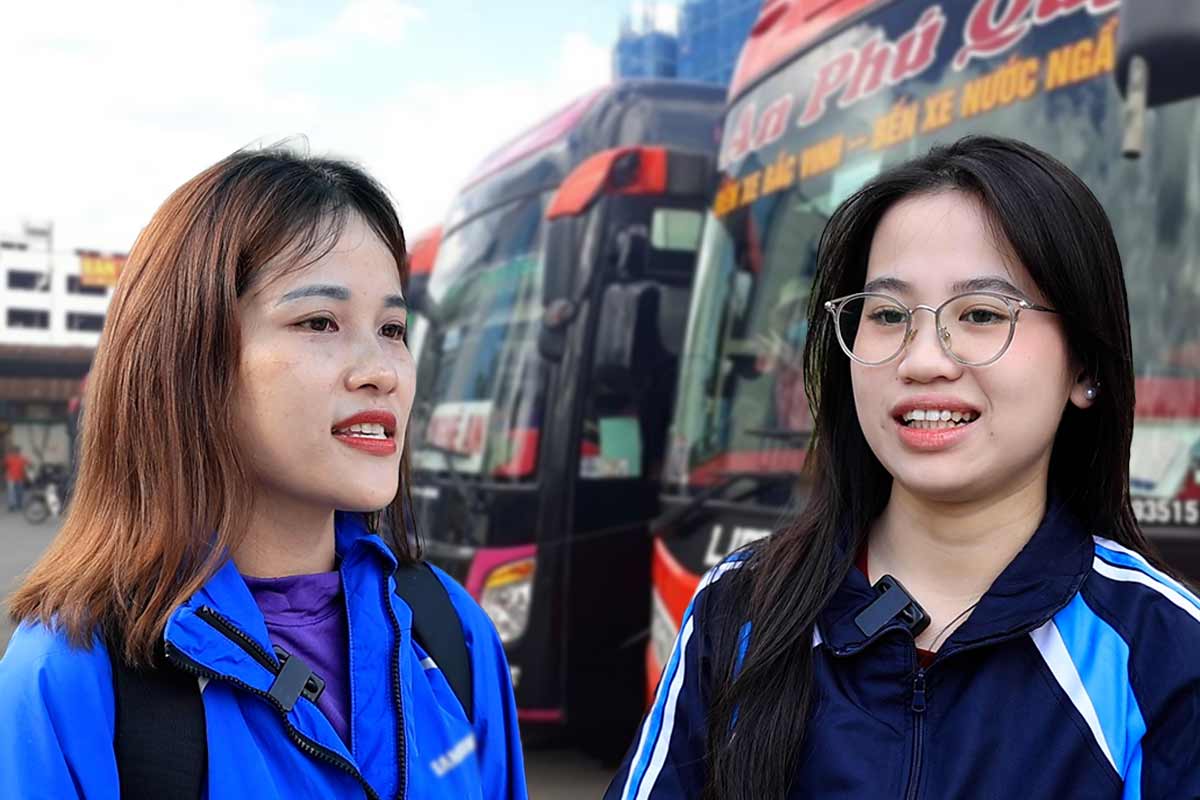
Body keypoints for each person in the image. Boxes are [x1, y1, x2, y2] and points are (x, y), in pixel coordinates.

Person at [607, 136, 1200, 799]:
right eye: (888, 314)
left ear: (1085, 366)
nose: (922, 360)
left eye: (981, 314)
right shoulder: (739, 608)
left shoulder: (1167, 651)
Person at [0, 149, 527, 799]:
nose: (382, 370)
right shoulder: (73, 677)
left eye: (393, 328)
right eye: (318, 322)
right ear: (189, 360)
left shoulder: (450, 631)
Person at [4, 446, 29, 512]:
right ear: (13, 452)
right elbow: (4, 466)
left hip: (19, 478)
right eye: (15, 451)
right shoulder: (9, 458)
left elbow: (29, 464)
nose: (16, 452)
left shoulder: (22, 459)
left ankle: (19, 504)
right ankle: (12, 505)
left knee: (19, 492)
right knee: (11, 492)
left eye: (17, 451)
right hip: (11, 478)